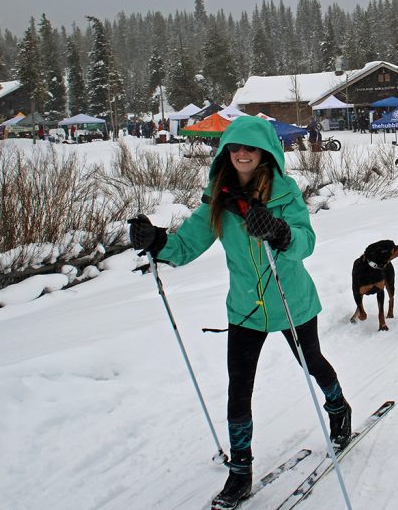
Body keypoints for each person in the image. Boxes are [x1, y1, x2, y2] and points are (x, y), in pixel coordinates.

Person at [127, 115, 352, 509]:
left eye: (249, 148)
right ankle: (240, 472)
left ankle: (339, 408)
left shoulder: (284, 193)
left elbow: (307, 242)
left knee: (311, 361)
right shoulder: (219, 197)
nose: (242, 154)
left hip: (291, 300)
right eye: (234, 148)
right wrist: (157, 241)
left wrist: (281, 232)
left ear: (264, 151)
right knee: (239, 387)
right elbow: (186, 246)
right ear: (225, 153)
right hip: (245, 308)